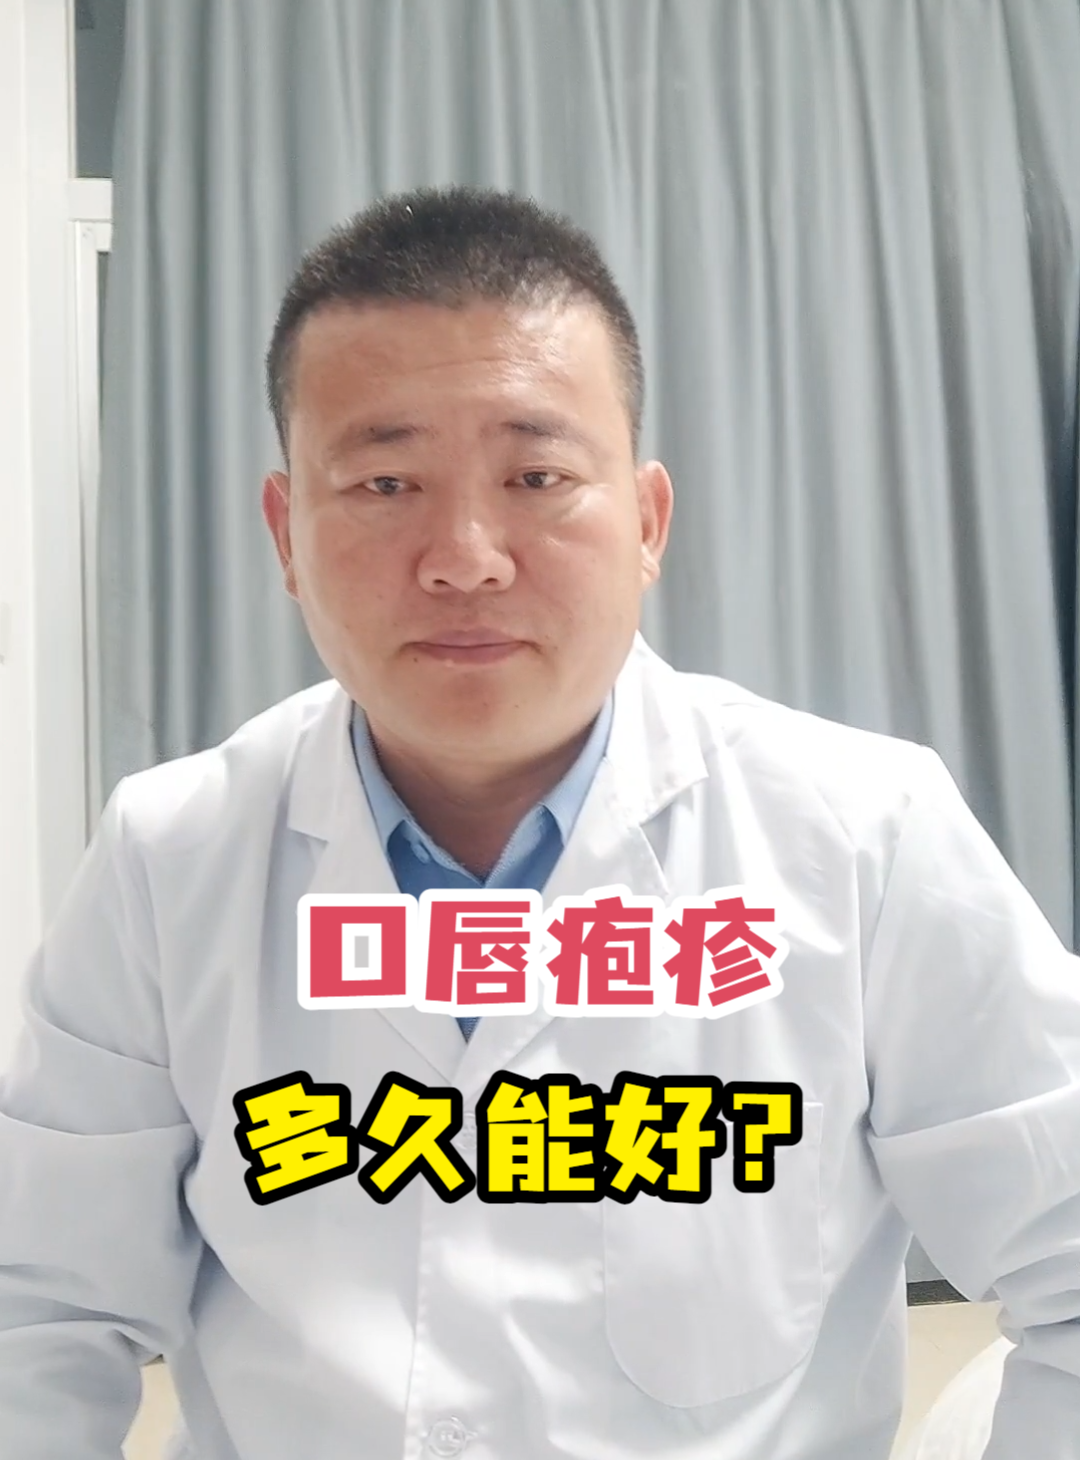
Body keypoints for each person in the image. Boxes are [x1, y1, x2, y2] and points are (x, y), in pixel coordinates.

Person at [0, 184, 1078, 1460]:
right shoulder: (170, 857)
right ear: (286, 532)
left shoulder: (864, 838)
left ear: (647, 521)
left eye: (538, 475)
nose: (465, 555)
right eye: (386, 480)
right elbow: (39, 1311)